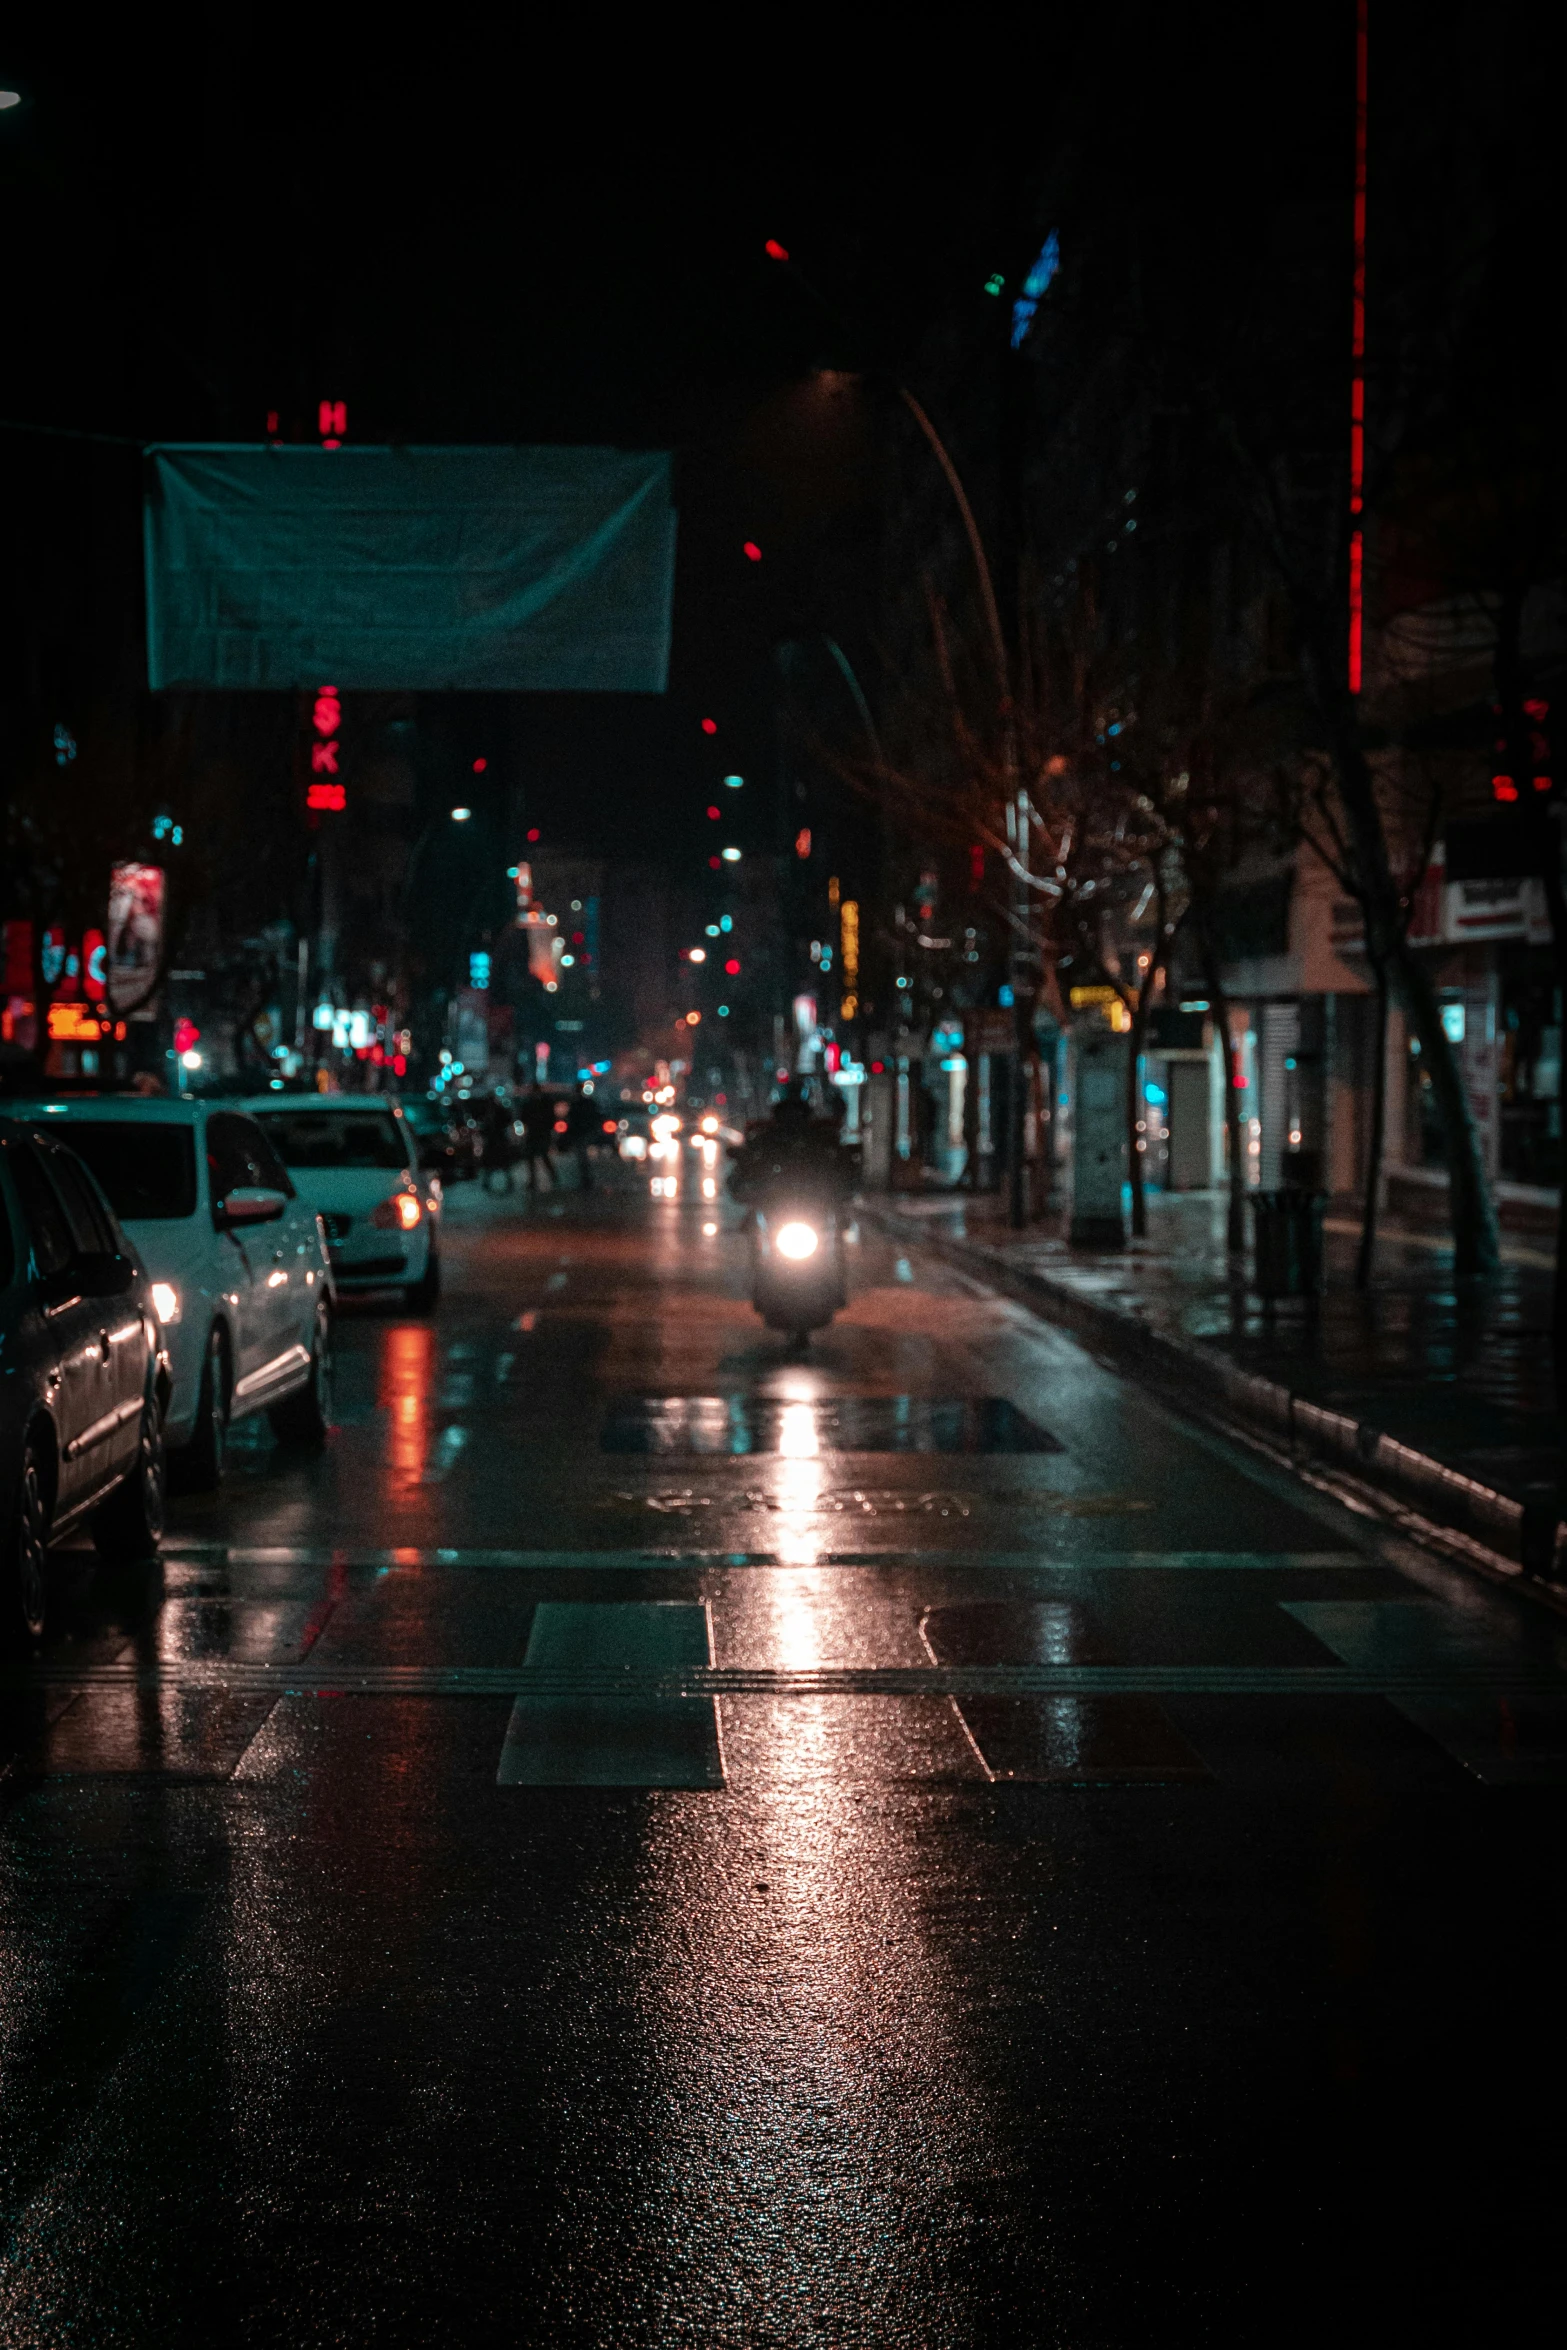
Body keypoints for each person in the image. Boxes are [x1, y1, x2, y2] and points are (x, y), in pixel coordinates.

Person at [519, 1086, 558, 1191]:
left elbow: (523, 1117)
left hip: (539, 1132)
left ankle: (545, 1177)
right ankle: (537, 1179)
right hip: (536, 1132)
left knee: (540, 1155)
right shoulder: (541, 1103)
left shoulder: (538, 1104)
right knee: (536, 1156)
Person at [479, 1094, 516, 1194]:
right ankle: (488, 1182)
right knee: (494, 1163)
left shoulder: (498, 1111)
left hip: (498, 1139)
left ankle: (509, 1182)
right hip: (494, 1140)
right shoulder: (490, 1112)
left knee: (500, 1163)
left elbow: (507, 1119)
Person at [565, 1083, 598, 1191]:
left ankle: (586, 1179)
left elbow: (571, 1120)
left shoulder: (576, 1104)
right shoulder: (587, 1103)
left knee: (582, 1157)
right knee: (583, 1157)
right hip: (584, 1132)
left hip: (580, 1133)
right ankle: (586, 1179)